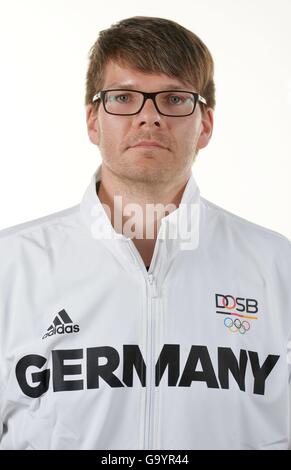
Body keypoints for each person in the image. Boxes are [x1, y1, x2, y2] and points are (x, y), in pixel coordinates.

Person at [0, 15, 290, 451]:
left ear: (205, 124)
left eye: (174, 99)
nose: (149, 116)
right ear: (93, 121)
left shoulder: (278, 267)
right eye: (123, 97)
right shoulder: (11, 267)